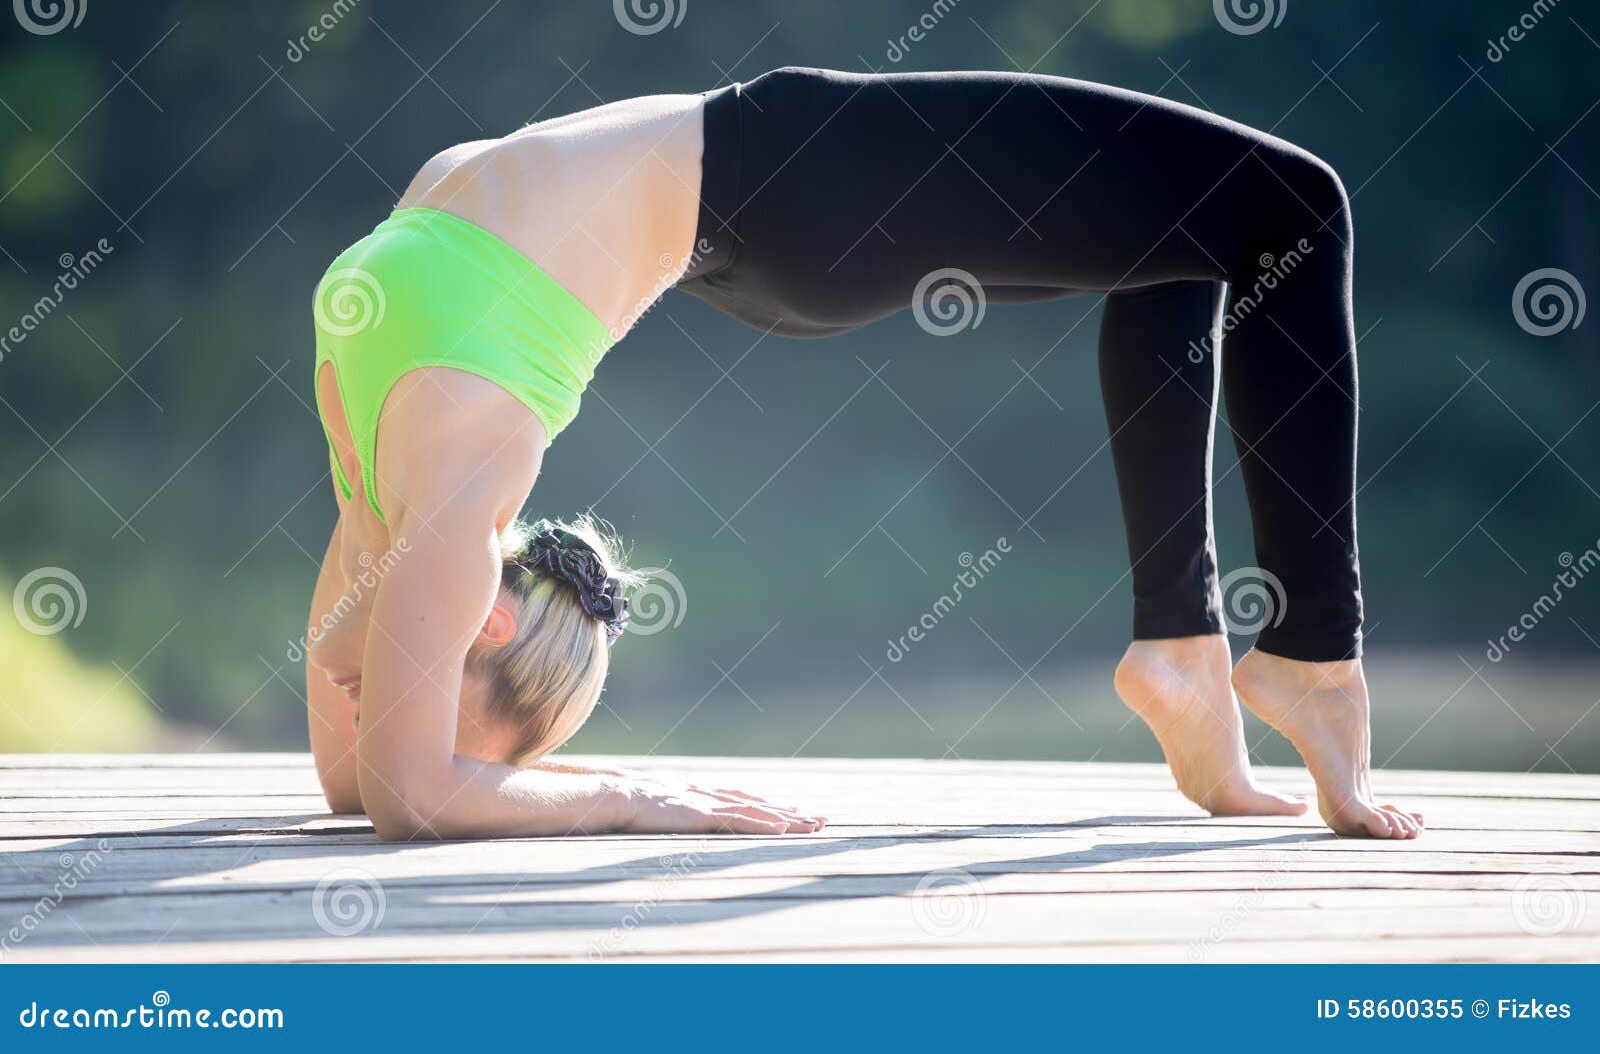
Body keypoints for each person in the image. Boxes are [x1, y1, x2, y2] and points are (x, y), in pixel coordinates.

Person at [306, 66, 1421, 841]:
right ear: (485, 617)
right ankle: (1311, 657)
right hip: (786, 195)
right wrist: (633, 796)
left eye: (460, 739)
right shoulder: (449, 481)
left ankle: (1182, 647)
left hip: (777, 201)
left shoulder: (400, 519)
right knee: (1292, 209)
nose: (388, 700)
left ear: (486, 620)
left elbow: (372, 783)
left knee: (1197, 229)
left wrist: (463, 774)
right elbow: (403, 794)